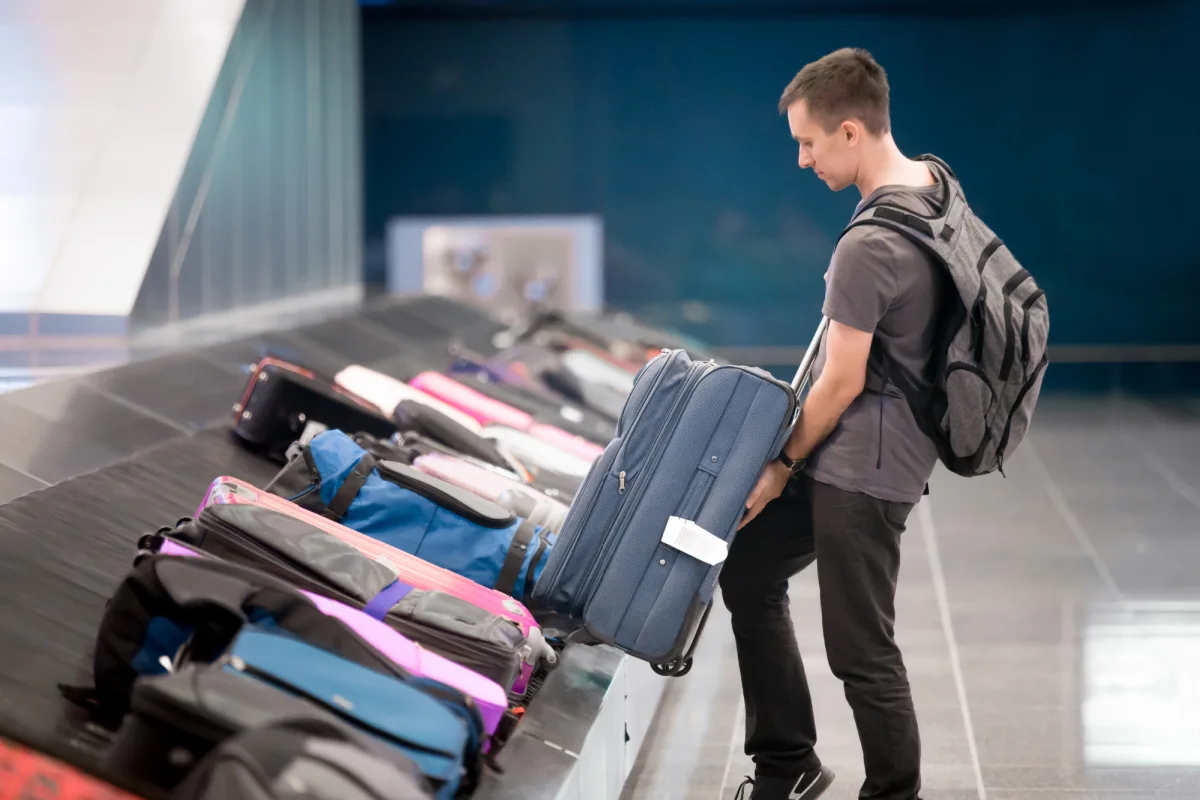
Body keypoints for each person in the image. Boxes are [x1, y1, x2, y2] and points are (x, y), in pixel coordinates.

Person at [723, 47, 947, 800]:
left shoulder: (871, 242)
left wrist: (779, 462)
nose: (801, 159)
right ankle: (787, 762)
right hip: (866, 452)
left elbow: (841, 378)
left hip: (864, 467)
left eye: (808, 142)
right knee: (749, 569)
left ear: (851, 131)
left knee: (861, 649)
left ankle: (893, 793)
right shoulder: (933, 187)